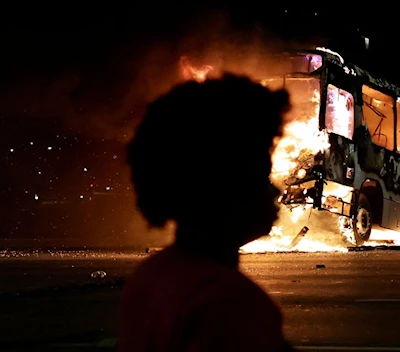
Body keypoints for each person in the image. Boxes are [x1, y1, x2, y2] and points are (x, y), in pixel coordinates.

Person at [118, 73, 294, 351]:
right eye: (260, 175)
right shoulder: (229, 304)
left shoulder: (152, 275)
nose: (276, 192)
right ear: (223, 187)